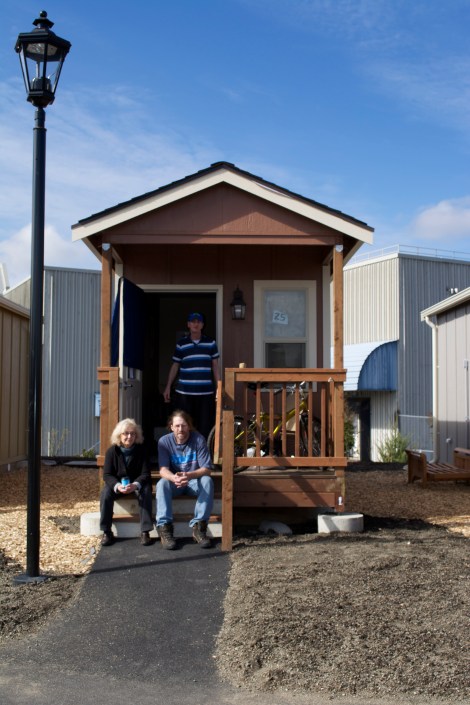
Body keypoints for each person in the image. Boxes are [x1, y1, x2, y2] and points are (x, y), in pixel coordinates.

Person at [156, 410, 214, 550]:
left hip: (193, 481)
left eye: (183, 425)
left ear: (189, 426)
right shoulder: (164, 441)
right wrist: (173, 477)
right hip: (175, 482)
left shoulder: (198, 439)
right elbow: (163, 469)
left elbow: (207, 469)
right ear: (171, 427)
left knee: (207, 480)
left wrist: (188, 475)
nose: (180, 429)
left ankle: (199, 527)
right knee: (162, 483)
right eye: (177, 426)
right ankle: (165, 529)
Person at [163, 311, 220, 439]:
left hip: (205, 393)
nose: (196, 324)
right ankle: (184, 454)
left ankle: (202, 455)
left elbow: (215, 366)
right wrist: (167, 387)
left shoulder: (210, 343)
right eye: (193, 321)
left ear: (202, 325)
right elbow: (175, 366)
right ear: (188, 324)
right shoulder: (181, 344)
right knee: (183, 425)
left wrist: (218, 388)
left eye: (198, 321)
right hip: (184, 394)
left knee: (205, 426)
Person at [100, 418, 154, 547]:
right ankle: (106, 531)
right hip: (119, 486)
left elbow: (146, 474)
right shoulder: (111, 451)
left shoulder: (142, 450)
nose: (129, 436)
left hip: (136, 485)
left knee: (146, 489)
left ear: (136, 435)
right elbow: (107, 475)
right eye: (126, 433)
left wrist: (135, 485)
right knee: (106, 492)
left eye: (133, 433)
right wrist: (118, 486)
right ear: (119, 435)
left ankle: (145, 531)